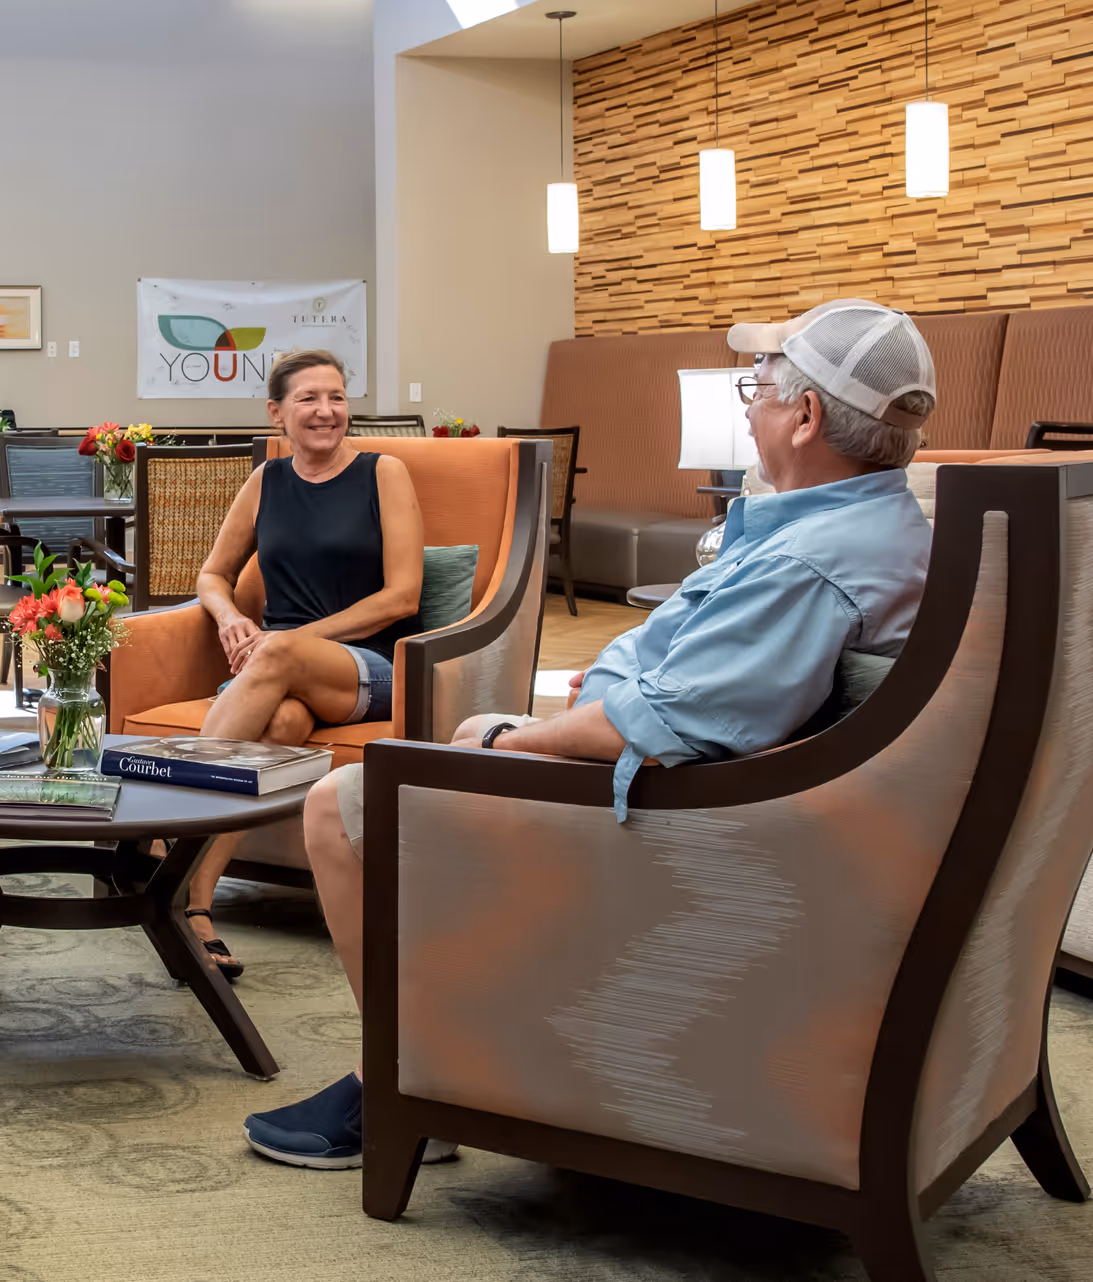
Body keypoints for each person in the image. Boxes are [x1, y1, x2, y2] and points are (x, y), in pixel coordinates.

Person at [244, 297, 938, 1169]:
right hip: (734, 798)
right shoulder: (873, 523)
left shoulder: (810, 560)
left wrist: (516, 745)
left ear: (805, 417)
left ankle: (400, 1081)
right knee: (462, 732)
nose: (752, 408)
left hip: (685, 831)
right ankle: (439, 1062)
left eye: (756, 391)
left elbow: (660, 727)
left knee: (342, 804)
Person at [180, 349, 425, 979]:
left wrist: (286, 642)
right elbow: (212, 574)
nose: (326, 411)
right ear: (277, 413)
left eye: (337, 397)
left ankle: (165, 833)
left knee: (281, 657)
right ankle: (192, 905)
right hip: (279, 671)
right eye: (309, 399)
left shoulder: (383, 472)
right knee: (281, 725)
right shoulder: (266, 481)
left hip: (372, 668)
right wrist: (231, 617)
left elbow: (402, 596)